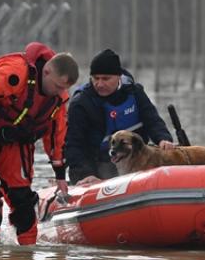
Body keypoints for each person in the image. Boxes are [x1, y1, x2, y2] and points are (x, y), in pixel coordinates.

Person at [0, 42, 79, 244]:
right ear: (46, 71)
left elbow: (56, 136)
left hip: (15, 139)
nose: (59, 92)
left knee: (22, 198)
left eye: (64, 88)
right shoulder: (15, 72)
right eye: (58, 86)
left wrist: (60, 176)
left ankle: (26, 252)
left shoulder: (58, 100)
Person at [64, 48, 175, 184]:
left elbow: (153, 121)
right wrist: (86, 174)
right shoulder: (80, 103)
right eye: (96, 78)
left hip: (134, 160)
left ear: (118, 77)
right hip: (96, 164)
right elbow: (74, 145)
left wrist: (163, 139)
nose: (99, 84)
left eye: (106, 79)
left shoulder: (135, 93)